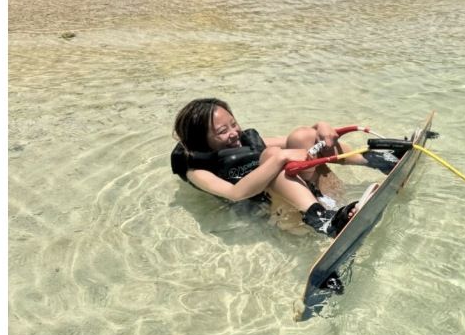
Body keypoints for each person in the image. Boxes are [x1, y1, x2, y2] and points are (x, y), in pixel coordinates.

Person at [170, 98, 399, 237]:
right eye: (222, 132)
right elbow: (236, 193)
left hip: (328, 196)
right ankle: (324, 220)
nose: (234, 133)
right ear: (201, 141)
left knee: (301, 135)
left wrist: (322, 126)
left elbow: (306, 139)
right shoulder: (197, 171)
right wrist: (280, 159)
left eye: (234, 124)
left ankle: (379, 160)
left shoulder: (244, 143)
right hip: (286, 217)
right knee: (272, 156)